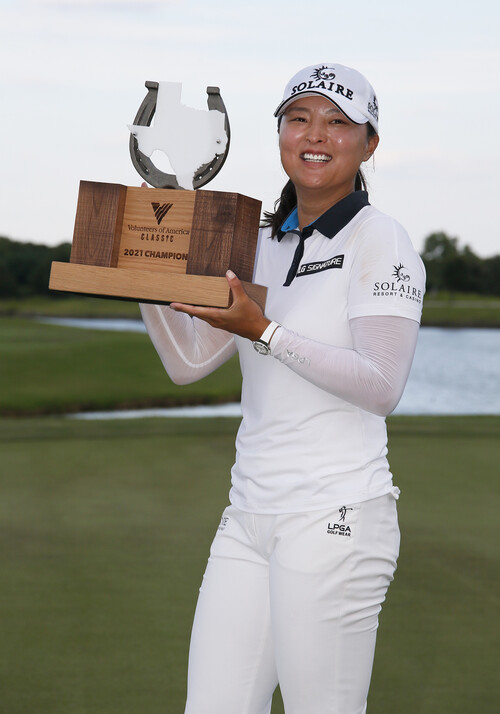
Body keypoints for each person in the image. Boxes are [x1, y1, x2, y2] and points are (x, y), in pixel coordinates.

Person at [140, 62, 426, 714]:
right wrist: (150, 269)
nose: (314, 134)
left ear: (369, 143)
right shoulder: (255, 240)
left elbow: (381, 386)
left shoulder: (381, 241)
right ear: (279, 133)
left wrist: (265, 330)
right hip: (247, 518)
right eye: (298, 118)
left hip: (336, 518)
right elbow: (187, 363)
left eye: (337, 121)